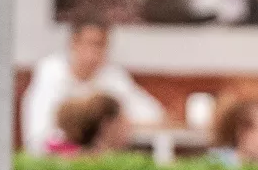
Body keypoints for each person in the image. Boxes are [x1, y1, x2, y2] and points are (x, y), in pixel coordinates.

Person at [22, 19, 165, 153]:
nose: (94, 53)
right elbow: (37, 137)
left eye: (101, 45)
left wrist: (119, 122)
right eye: (90, 43)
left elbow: (153, 114)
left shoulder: (112, 76)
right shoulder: (50, 74)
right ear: (73, 43)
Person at [51, 90, 131, 156]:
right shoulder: (98, 162)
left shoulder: (58, 155)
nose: (129, 126)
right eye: (122, 121)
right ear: (107, 124)